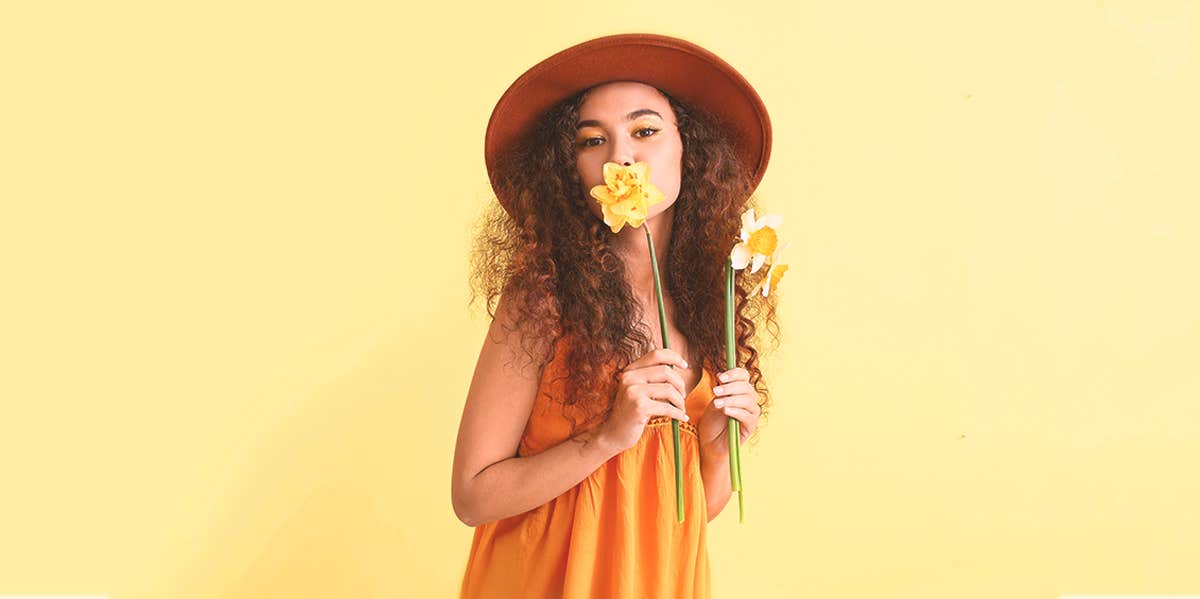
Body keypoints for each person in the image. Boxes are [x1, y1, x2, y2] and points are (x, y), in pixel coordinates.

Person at [452, 33, 781, 598]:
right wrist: (607, 437)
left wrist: (719, 446)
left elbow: (688, 513)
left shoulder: (712, 299)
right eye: (591, 140)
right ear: (570, 170)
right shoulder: (543, 297)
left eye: (645, 130)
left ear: (690, 149)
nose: (620, 157)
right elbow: (472, 496)